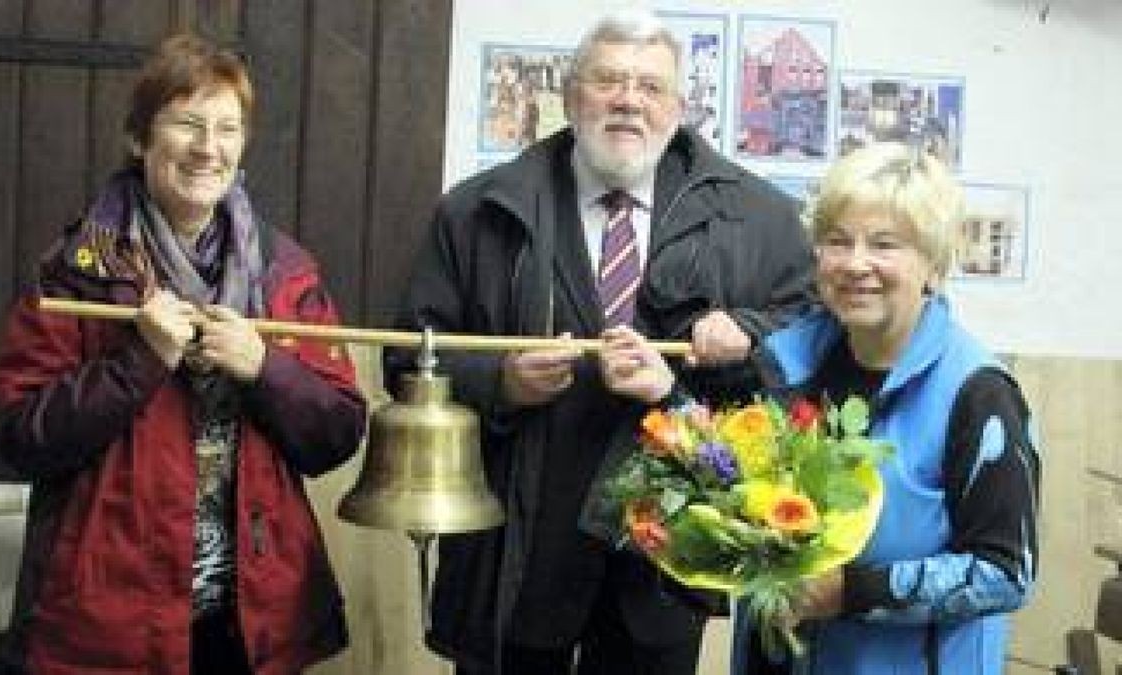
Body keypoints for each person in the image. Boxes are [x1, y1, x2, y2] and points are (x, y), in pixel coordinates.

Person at [384, 9, 814, 674]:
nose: (628, 101)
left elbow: (808, 343)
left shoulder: (758, 218)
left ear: (680, 106)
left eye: (650, 87)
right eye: (609, 80)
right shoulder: (478, 212)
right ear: (570, 93)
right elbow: (409, 354)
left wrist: (746, 335)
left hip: (668, 557)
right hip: (515, 555)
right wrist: (502, 382)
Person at [0, 34, 366, 675]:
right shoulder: (78, 270)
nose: (207, 148)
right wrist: (137, 362)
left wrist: (265, 368)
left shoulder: (285, 273)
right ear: (140, 138)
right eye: (187, 124)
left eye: (227, 128)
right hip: (112, 621)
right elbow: (20, 434)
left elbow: (337, 434)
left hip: (251, 618)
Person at [600, 142, 1040, 675]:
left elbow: (1005, 571)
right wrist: (664, 393)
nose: (856, 264)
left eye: (885, 244)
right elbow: (735, 474)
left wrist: (851, 591)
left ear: (934, 266)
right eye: (837, 241)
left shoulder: (979, 395)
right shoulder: (787, 362)